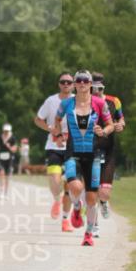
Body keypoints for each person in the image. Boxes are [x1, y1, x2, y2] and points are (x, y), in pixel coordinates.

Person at [53, 69, 114, 247]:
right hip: (72, 152)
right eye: (78, 80)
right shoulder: (66, 103)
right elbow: (57, 120)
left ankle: (88, 234)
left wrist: (103, 131)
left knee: (92, 198)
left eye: (85, 80)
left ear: (90, 84)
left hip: (93, 154)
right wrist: (59, 135)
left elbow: (110, 125)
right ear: (74, 84)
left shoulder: (99, 103)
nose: (82, 83)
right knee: (75, 186)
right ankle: (77, 207)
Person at [34, 71, 74, 231]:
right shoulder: (51, 101)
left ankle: (65, 220)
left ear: (73, 84)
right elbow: (38, 119)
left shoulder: (78, 101)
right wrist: (50, 129)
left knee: (70, 185)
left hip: (72, 147)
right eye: (63, 82)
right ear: (59, 84)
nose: (66, 84)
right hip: (53, 147)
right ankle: (57, 200)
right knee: (56, 181)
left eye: (69, 82)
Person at [92, 72, 126, 228]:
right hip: (90, 149)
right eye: (93, 88)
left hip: (108, 149)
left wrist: (121, 125)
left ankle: (104, 202)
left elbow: (121, 119)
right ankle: (93, 225)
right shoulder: (85, 102)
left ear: (103, 87)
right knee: (92, 190)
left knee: (104, 193)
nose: (96, 92)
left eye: (99, 88)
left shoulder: (114, 101)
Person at [0, 123, 18, 199]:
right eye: (5, 131)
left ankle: (6, 193)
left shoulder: (13, 138)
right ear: (3, 130)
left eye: (7, 131)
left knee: (7, 176)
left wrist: (9, 147)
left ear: (9, 131)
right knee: (1, 173)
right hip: (0, 158)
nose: (6, 132)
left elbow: (14, 150)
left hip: (9, 159)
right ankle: (1, 191)